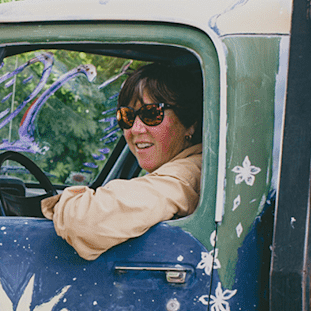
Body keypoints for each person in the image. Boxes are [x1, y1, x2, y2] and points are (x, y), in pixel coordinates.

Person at [41, 63, 203, 260]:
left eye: (151, 114)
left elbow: (85, 222)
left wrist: (59, 206)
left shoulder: (187, 174)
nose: (135, 129)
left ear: (191, 124)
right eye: (127, 116)